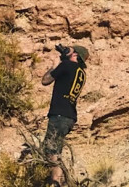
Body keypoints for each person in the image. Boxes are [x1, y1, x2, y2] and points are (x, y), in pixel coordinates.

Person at [37, 43, 88, 182]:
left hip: (59, 115)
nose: (66, 50)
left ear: (75, 54)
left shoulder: (66, 66)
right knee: (56, 150)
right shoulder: (81, 73)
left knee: (51, 151)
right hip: (69, 116)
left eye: (69, 50)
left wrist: (55, 65)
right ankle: (60, 181)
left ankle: (56, 181)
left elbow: (45, 80)